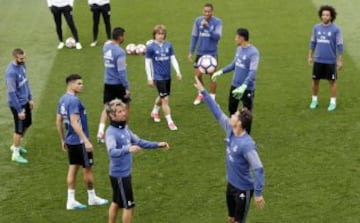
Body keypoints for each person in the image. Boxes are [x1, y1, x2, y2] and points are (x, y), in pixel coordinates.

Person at [194, 77, 265, 223]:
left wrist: (258, 193)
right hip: (231, 185)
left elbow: (258, 168)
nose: (231, 116)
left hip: (243, 190)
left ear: (239, 123)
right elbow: (216, 111)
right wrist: (203, 92)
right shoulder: (229, 128)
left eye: (234, 115)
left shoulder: (247, 144)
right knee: (231, 218)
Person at [105, 98, 169, 223]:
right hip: (120, 176)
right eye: (119, 112)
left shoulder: (124, 128)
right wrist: (127, 148)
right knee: (129, 206)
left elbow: (139, 142)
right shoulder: (111, 132)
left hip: (122, 174)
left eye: (123, 110)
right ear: (112, 115)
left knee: (116, 203)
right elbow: (111, 152)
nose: (124, 113)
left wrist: (157, 144)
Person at [56, 74, 108, 210]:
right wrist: (86, 141)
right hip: (79, 141)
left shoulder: (62, 99)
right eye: (79, 83)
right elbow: (74, 122)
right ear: (71, 84)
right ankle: (92, 197)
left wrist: (63, 139)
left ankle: (71, 200)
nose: (81, 85)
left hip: (71, 140)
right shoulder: (74, 101)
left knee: (73, 168)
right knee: (87, 170)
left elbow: (58, 121)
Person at [212, 28, 260, 134]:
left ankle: (246, 136)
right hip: (235, 86)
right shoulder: (239, 49)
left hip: (246, 89)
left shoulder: (254, 53)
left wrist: (244, 86)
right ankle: (233, 132)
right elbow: (234, 65)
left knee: (246, 114)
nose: (235, 39)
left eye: (236, 37)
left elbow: (253, 72)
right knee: (232, 109)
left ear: (242, 38)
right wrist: (220, 72)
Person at [145, 24, 182, 131]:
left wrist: (178, 72)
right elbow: (147, 63)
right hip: (158, 76)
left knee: (162, 96)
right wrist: (150, 78)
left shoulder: (168, 45)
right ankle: (170, 121)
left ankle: (154, 111)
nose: (160, 36)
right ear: (154, 35)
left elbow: (173, 59)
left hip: (167, 76)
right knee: (165, 99)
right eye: (158, 34)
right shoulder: (151, 47)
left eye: (162, 34)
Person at [97, 27, 130, 143]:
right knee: (125, 106)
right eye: (124, 35)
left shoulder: (106, 47)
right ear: (120, 37)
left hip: (107, 82)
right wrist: (126, 87)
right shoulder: (120, 52)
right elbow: (121, 72)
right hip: (118, 84)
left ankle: (100, 132)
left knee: (107, 108)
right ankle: (124, 129)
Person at [308, 5, 343, 111]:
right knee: (315, 81)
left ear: (331, 17)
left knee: (332, 82)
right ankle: (314, 100)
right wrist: (310, 55)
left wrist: (340, 60)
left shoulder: (336, 29)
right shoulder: (316, 28)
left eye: (327, 15)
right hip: (318, 59)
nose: (325, 17)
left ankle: (333, 102)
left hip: (330, 61)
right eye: (323, 15)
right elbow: (313, 42)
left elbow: (340, 44)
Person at [189, 3, 222, 105]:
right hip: (200, 53)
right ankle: (201, 93)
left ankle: (212, 97)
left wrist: (207, 27)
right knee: (197, 76)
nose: (207, 13)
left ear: (212, 12)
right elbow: (194, 36)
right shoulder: (197, 21)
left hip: (212, 54)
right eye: (205, 11)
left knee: (213, 77)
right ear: (203, 11)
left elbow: (217, 37)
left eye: (209, 11)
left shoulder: (217, 22)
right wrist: (191, 52)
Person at [5, 48, 33, 164]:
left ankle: (16, 144)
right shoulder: (11, 72)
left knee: (28, 123)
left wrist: (30, 98)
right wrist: (19, 110)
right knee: (19, 129)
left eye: (24, 57)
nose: (23, 60)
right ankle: (15, 153)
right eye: (21, 58)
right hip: (17, 105)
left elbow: (26, 82)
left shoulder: (22, 65)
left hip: (25, 101)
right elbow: (12, 93)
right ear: (15, 57)